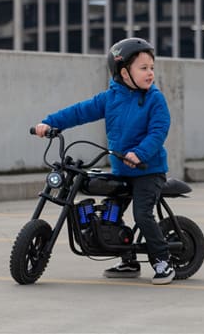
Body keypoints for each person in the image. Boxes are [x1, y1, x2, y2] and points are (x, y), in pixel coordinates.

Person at [33, 37, 174, 285]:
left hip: (147, 170)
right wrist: (50, 123)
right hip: (121, 169)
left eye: (152, 67)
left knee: (142, 215)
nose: (150, 73)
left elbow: (159, 130)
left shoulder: (154, 99)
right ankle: (128, 260)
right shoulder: (110, 98)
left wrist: (139, 153)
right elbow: (79, 111)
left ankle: (163, 261)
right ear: (124, 72)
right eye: (143, 68)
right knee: (110, 213)